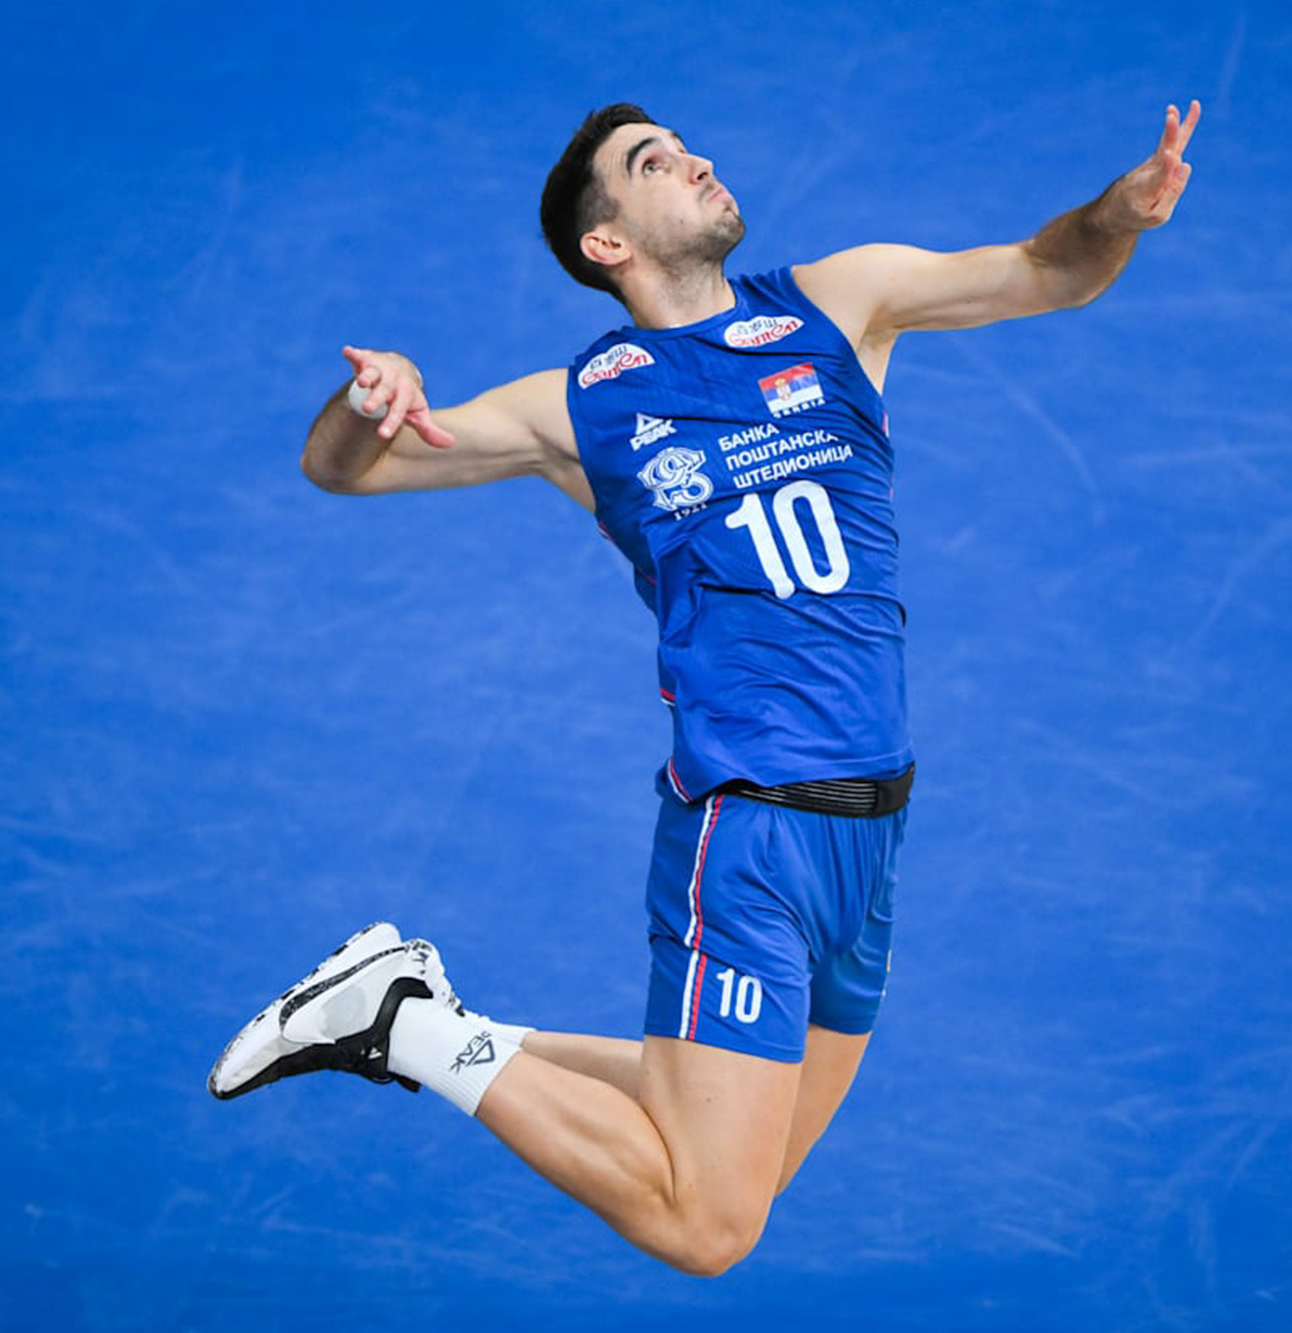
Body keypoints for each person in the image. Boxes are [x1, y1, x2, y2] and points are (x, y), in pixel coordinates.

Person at [211, 98, 1200, 1276]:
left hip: (871, 825)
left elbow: (1048, 267)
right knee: (705, 1221)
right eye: (653, 163)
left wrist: (1117, 214)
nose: (694, 162)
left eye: (684, 148)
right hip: (751, 829)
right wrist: (366, 401)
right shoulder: (577, 409)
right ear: (606, 242)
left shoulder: (840, 304)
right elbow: (347, 471)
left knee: (742, 1153)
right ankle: (406, 1026)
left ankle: (424, 1013)